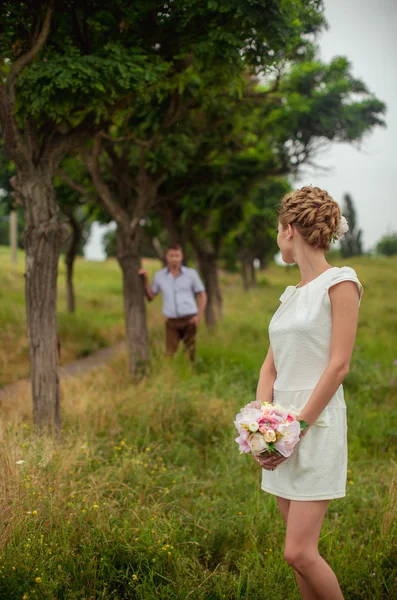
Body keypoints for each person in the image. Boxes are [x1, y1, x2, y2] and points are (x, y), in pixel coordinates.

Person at [255, 186, 364, 600]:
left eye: (277, 232)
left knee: (298, 552)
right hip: (281, 428)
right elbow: (270, 365)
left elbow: (339, 365)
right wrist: (263, 426)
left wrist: (296, 427)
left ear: (288, 230)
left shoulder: (341, 282)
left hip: (314, 427)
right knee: (298, 552)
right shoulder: (291, 295)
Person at [138, 244, 207, 361]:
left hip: (189, 319)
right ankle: (170, 375)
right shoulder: (159, 276)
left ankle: (191, 373)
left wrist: (198, 316)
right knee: (169, 353)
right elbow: (150, 296)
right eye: (171, 255)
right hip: (172, 322)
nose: (174, 258)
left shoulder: (191, 274)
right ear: (167, 257)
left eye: (177, 255)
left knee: (190, 353)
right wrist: (145, 280)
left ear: (181, 257)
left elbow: (202, 295)